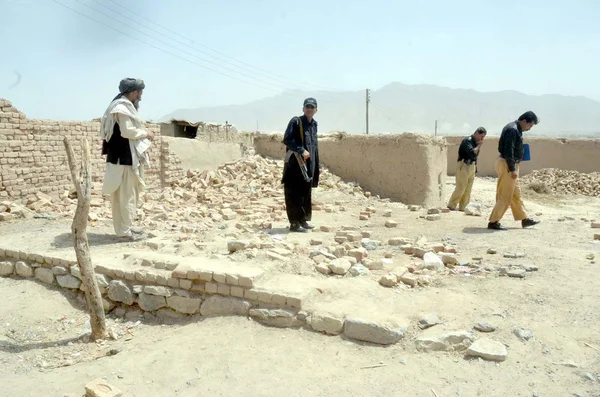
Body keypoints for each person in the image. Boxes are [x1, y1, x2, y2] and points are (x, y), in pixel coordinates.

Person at [100, 78, 154, 240]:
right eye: (140, 92)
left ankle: (126, 228)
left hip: (122, 157)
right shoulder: (122, 108)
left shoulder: (121, 106)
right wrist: (146, 133)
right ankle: (124, 233)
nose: (141, 96)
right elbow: (127, 131)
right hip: (122, 158)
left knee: (126, 194)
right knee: (125, 195)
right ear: (133, 92)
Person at [488, 111, 540, 230]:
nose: (530, 128)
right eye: (530, 125)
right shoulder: (513, 129)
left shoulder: (515, 128)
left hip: (511, 164)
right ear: (524, 121)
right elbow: (508, 150)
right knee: (505, 194)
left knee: (516, 194)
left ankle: (524, 219)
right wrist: (512, 169)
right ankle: (493, 221)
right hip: (508, 164)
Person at [281, 97, 320, 232]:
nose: (309, 109)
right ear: (303, 109)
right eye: (307, 107)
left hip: (308, 165)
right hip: (295, 165)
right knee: (293, 193)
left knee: (305, 193)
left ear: (316, 110)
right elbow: (287, 139)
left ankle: (303, 220)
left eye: (312, 107)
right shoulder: (296, 122)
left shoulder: (314, 124)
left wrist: (315, 167)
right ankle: (294, 223)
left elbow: (314, 147)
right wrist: (301, 149)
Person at [447, 127, 487, 211]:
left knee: (468, 189)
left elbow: (475, 157)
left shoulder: (476, 142)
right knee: (461, 187)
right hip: (464, 165)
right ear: (476, 133)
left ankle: (463, 206)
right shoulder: (467, 141)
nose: (482, 138)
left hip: (472, 166)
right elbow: (472, 152)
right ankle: (452, 205)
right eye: (481, 136)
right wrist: (479, 145)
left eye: (483, 137)